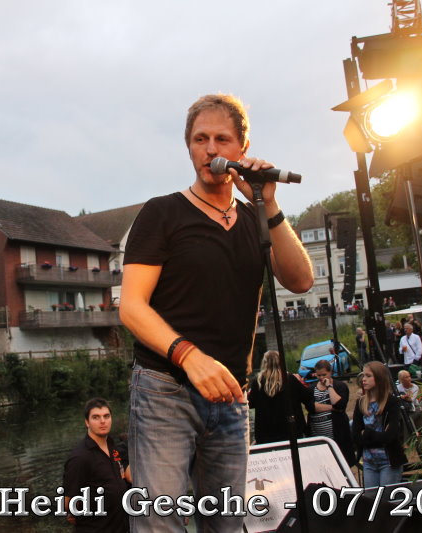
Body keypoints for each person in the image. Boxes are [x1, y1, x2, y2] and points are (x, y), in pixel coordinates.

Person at [119, 93, 313, 532]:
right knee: (159, 524)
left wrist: (269, 204)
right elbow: (130, 307)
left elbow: (301, 280)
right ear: (188, 147)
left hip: (230, 396)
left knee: (225, 525)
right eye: (200, 139)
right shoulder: (162, 213)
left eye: (222, 139)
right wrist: (189, 355)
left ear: (242, 149)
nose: (210, 149)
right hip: (165, 390)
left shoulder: (254, 220)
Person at [63, 398, 128, 532]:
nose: (102, 421)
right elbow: (68, 503)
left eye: (106, 416)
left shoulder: (112, 446)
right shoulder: (80, 457)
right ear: (87, 422)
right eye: (96, 417)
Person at [352, 362, 406, 488]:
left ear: (379, 378)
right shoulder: (360, 403)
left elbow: (390, 436)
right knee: (371, 497)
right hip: (368, 461)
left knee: (386, 497)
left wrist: (367, 433)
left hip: (389, 461)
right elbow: (356, 435)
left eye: (368, 376)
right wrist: (377, 436)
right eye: (363, 375)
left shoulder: (391, 402)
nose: (364, 379)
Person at [248, 350, 313, 444]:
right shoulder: (289, 379)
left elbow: (251, 403)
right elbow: (308, 396)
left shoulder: (257, 382)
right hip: (291, 431)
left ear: (264, 363)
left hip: (266, 433)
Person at [307, 360, 356, 466]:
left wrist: (329, 387)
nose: (321, 378)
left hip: (338, 436)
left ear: (330, 372)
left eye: (324, 374)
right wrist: (331, 408)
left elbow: (339, 405)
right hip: (318, 437)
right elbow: (311, 407)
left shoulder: (340, 386)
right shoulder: (311, 389)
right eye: (319, 375)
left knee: (341, 464)